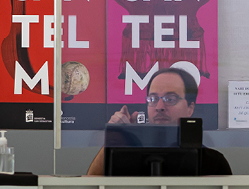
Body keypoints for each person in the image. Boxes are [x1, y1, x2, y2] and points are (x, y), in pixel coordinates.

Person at [86, 67, 232, 176]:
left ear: (190, 108)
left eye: (170, 99)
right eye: (153, 99)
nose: (159, 107)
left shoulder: (212, 162)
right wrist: (114, 139)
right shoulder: (126, 155)